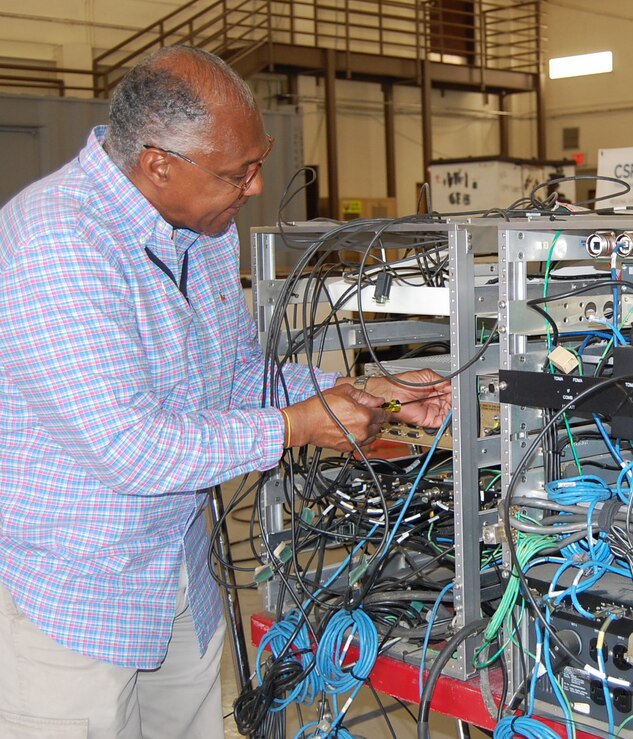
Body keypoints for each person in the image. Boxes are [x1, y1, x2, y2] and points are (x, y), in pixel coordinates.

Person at [0, 45, 450, 738]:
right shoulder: (59, 242)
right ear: (159, 164)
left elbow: (237, 377)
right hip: (76, 598)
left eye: (257, 161)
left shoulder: (202, 230)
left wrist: (364, 392)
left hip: (179, 575)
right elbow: (128, 448)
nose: (253, 185)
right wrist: (297, 426)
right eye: (236, 172)